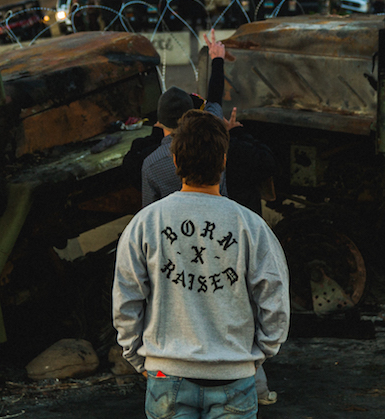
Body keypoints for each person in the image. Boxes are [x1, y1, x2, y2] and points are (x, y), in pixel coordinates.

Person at [113, 110, 291, 419]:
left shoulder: (145, 224)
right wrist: (257, 356)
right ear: (224, 161)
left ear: (175, 162)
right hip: (233, 376)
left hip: (166, 376)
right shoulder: (251, 226)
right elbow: (275, 302)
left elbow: (126, 302)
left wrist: (140, 359)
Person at [141, 30, 233, 207]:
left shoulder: (151, 164)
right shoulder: (212, 144)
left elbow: (149, 210)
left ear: (159, 122)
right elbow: (215, 96)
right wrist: (217, 58)